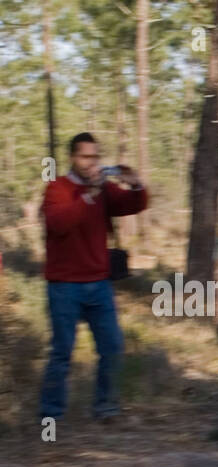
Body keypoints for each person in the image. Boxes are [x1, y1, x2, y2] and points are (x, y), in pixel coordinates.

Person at [38, 132, 148, 425]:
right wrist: (89, 195)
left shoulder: (105, 190)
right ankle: (51, 415)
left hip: (99, 283)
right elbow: (59, 224)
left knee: (112, 348)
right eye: (86, 157)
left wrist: (136, 183)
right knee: (62, 353)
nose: (91, 163)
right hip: (64, 285)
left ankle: (107, 409)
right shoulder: (57, 188)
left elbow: (134, 205)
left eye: (95, 157)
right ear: (73, 158)